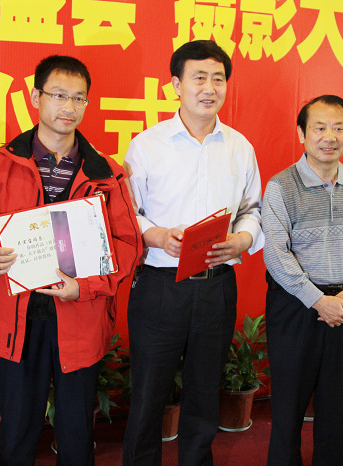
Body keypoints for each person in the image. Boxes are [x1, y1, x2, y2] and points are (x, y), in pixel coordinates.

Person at [0, 55, 142, 465]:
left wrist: (85, 287)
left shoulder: (106, 172)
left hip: (79, 316)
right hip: (18, 319)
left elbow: (128, 245)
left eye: (79, 98)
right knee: (18, 430)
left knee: (76, 433)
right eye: (59, 95)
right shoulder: (2, 162)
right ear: (35, 97)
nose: (68, 107)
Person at [122, 39, 264, 465]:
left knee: (204, 394)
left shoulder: (240, 147)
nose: (209, 87)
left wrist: (243, 240)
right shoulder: (147, 145)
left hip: (216, 287)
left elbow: (253, 209)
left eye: (218, 79)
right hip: (161, 286)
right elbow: (127, 214)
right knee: (149, 394)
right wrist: (157, 235)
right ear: (175, 85)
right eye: (198, 77)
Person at [262, 95, 343, 465]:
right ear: (301, 134)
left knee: (336, 409)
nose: (329, 136)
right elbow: (276, 254)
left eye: (338, 128)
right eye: (319, 127)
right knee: (288, 407)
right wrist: (318, 300)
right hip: (295, 309)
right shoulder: (281, 186)